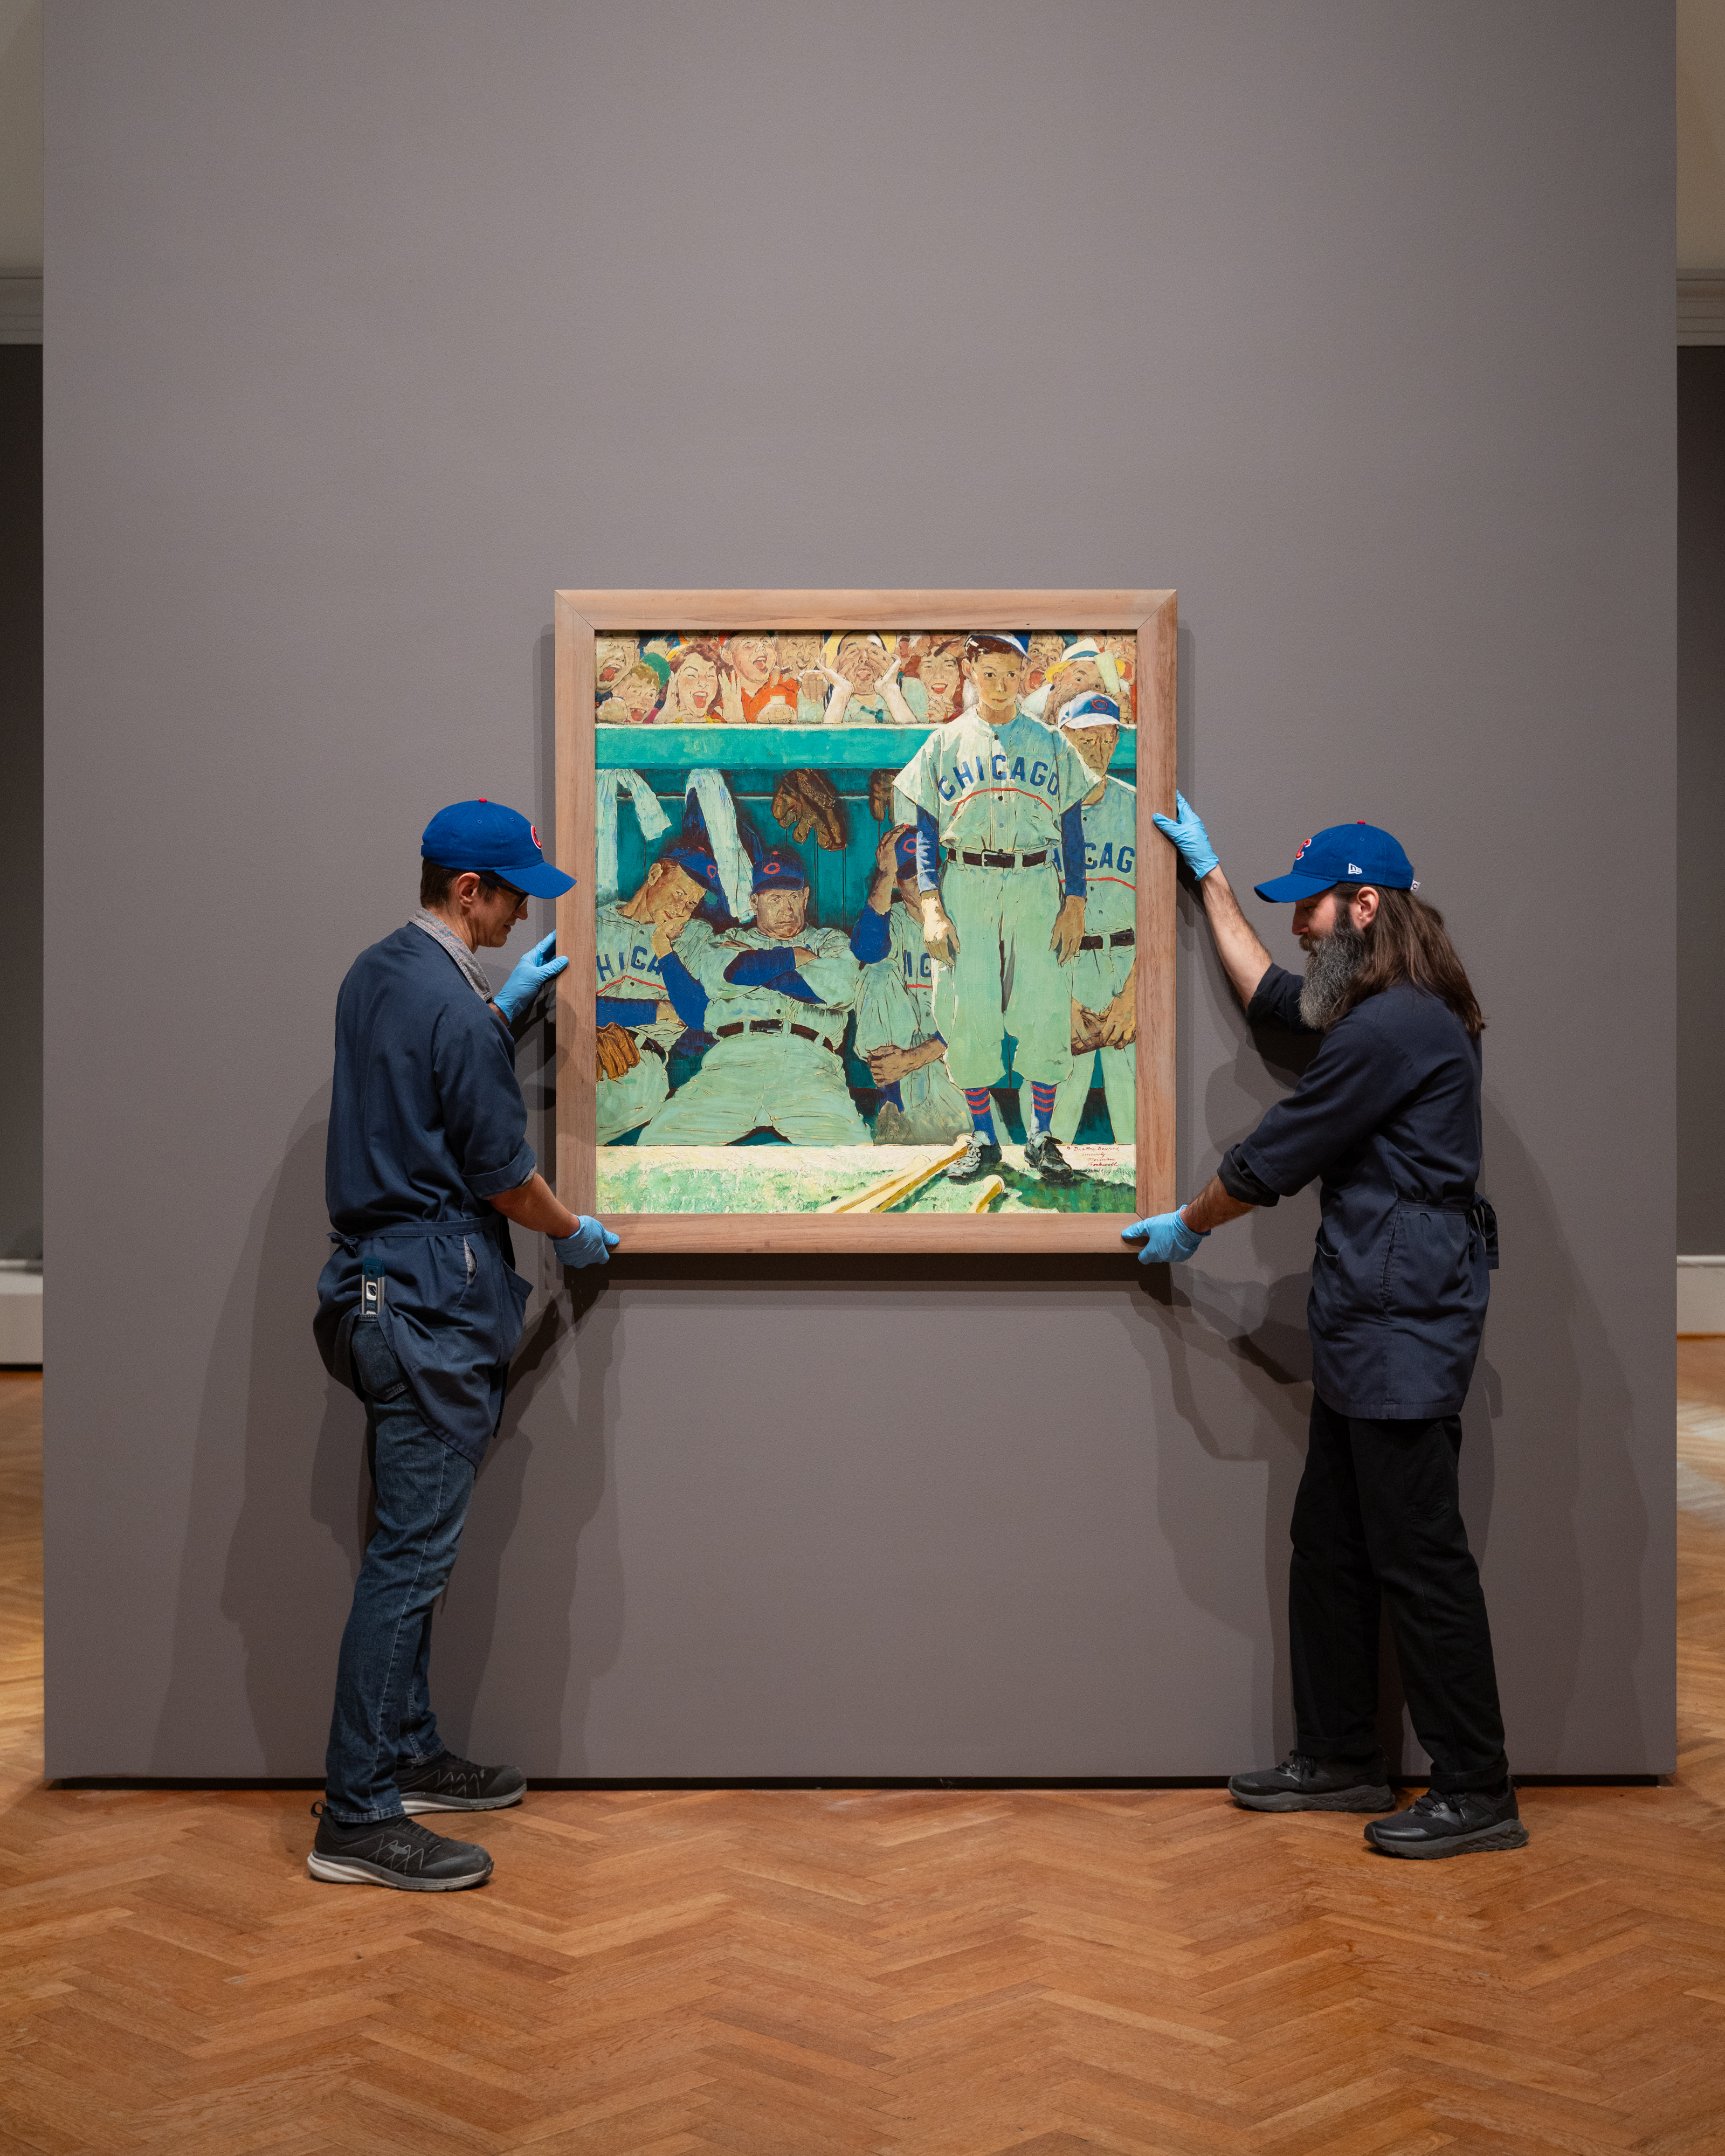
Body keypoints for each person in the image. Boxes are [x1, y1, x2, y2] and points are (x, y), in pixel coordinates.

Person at [1130, 802, 1522, 1860]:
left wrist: (1188, 1223)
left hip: (1403, 1325)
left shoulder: (1396, 1025)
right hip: (1370, 1323)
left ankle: (1477, 1788)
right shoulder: (1376, 1006)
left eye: (1310, 904)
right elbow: (1269, 992)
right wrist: (1207, 881)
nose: (1299, 925)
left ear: (1364, 904)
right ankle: (1342, 1753)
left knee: (1420, 1558)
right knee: (1334, 1547)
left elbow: (1274, 1153)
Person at [308, 800, 620, 1892]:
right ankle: (357, 1811)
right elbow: (500, 1174)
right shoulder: (450, 1004)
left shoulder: (377, 972)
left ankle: (407, 1750)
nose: (524, 908)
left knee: (412, 1549)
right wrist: (572, 1229)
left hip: (369, 1290)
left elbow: (411, 1092)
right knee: (409, 1563)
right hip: (431, 1305)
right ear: (467, 892)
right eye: (512, 890)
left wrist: (502, 1017)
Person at [892, 632, 1094, 1185]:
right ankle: (983, 1139)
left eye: (1011, 674)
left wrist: (1074, 900)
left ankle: (1040, 1138)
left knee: (1044, 1006)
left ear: (1025, 675)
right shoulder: (944, 741)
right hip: (967, 884)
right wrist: (931, 904)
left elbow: (1071, 830)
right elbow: (926, 833)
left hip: (1035, 883)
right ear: (969, 673)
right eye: (989, 673)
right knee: (966, 1010)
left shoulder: (1051, 743)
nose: (1000, 685)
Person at [640, 845, 865, 1144]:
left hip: (808, 1065)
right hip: (732, 1064)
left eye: (793, 897)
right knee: (656, 1144)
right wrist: (797, 958)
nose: (786, 908)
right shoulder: (729, 940)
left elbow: (842, 989)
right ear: (754, 901)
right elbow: (727, 976)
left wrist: (756, 965)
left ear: (806, 897)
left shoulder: (830, 940)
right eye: (774, 899)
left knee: (854, 1150)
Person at [1038, 693, 1136, 1146]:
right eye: (1085, 739)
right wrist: (1058, 1000)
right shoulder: (1035, 811)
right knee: (1048, 1132)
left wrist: (1134, 996)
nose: (1097, 751)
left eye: (1106, 738)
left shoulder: (1138, 807)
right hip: (1061, 967)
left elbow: (1160, 916)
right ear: (1063, 739)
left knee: (1139, 1131)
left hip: (1129, 962)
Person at [851, 826, 971, 1143]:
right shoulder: (890, 922)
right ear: (897, 884)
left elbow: (977, 1016)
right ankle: (891, 1104)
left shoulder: (964, 922)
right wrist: (886, 872)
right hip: (896, 1058)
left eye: (926, 871)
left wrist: (913, 1059)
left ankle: (897, 1109)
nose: (920, 883)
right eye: (908, 875)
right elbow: (866, 950)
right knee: (875, 971)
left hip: (948, 1057)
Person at [595, 841, 717, 1142]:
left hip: (637, 1065)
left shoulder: (697, 938)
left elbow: (698, 1014)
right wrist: (658, 1010)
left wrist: (663, 947)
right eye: (679, 893)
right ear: (653, 874)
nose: (682, 911)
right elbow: (565, 1002)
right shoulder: (593, 923)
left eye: (691, 904)